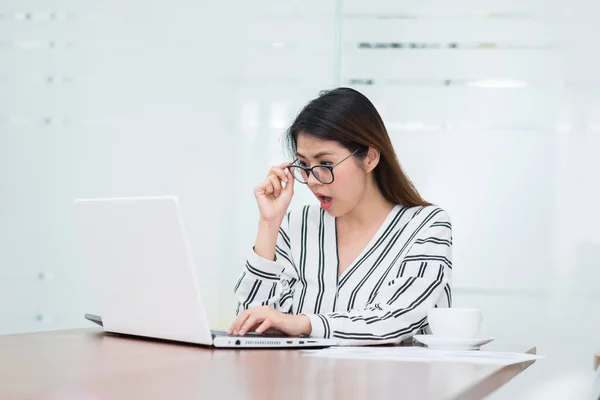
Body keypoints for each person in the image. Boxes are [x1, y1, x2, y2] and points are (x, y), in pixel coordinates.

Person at [228, 87, 452, 346]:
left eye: (325, 164)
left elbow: (400, 317)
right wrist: (268, 225)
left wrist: (303, 323)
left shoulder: (427, 226)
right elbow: (250, 325)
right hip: (301, 384)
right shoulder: (297, 226)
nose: (312, 180)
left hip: (390, 385)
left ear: (369, 158)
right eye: (304, 165)